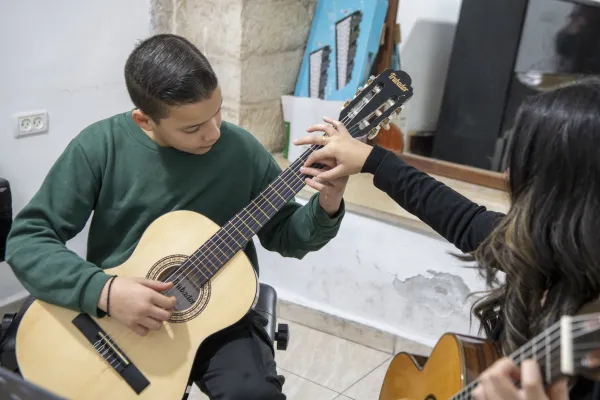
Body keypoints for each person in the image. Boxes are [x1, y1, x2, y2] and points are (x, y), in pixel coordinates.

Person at [5, 34, 348, 400]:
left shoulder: (241, 151)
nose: (214, 132)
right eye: (192, 127)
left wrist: (327, 203)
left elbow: (285, 234)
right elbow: (28, 239)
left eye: (217, 112)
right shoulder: (100, 147)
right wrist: (104, 291)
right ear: (144, 120)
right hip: (117, 315)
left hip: (221, 318)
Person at [294, 78, 600, 399]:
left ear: (566, 196)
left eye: (524, 166)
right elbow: (464, 220)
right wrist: (373, 160)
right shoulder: (543, 247)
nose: (508, 176)